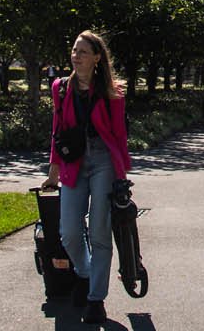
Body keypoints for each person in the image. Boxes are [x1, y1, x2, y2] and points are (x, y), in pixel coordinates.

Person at [43, 31, 132, 325]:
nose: (76, 56)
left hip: (103, 160)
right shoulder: (60, 89)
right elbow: (57, 131)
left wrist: (121, 176)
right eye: (74, 50)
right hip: (73, 163)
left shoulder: (112, 91)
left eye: (82, 51)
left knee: (99, 231)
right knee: (68, 229)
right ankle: (83, 271)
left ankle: (96, 298)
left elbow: (119, 136)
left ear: (97, 57)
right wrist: (53, 172)